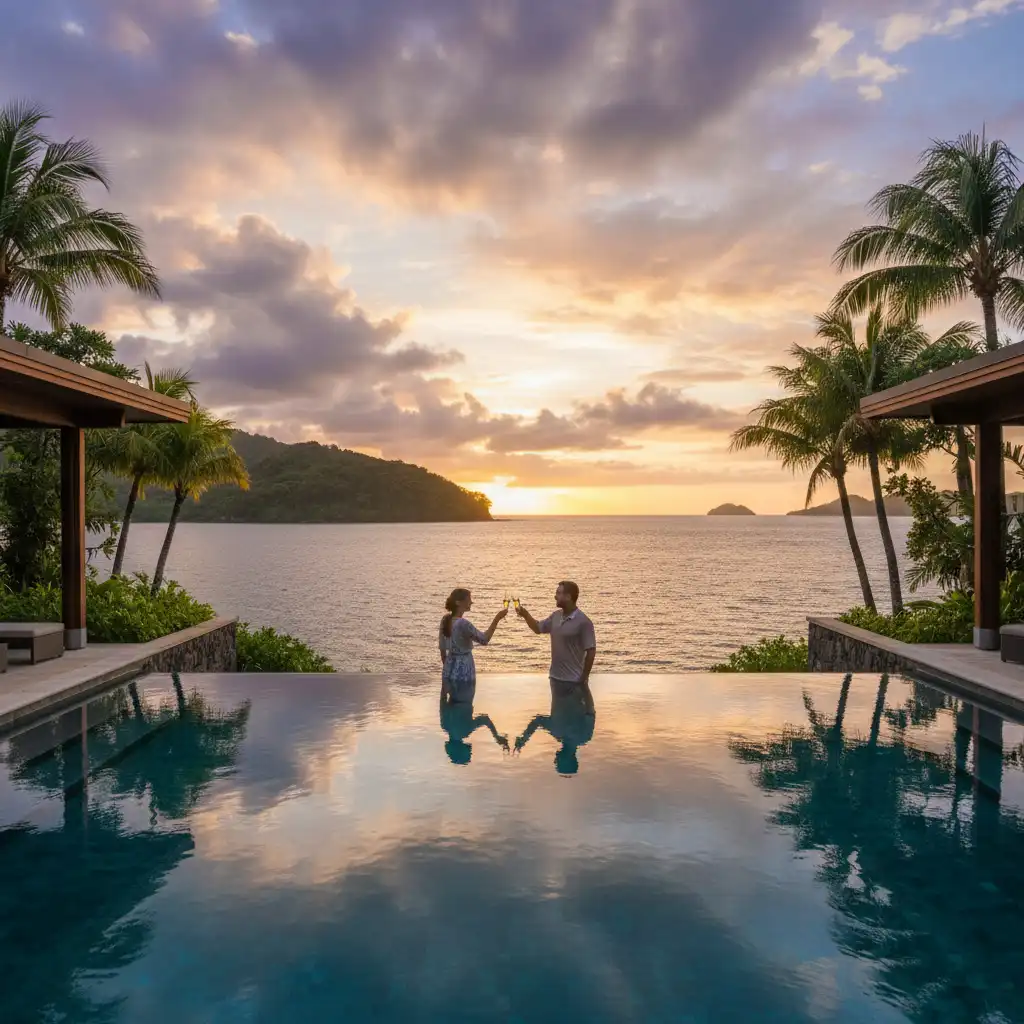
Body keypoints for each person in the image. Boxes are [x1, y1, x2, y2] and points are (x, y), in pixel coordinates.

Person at [515, 580, 596, 688]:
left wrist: (584, 677)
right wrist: (526, 615)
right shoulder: (555, 616)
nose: (555, 596)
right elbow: (538, 628)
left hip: (574, 681)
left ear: (568, 597)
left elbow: (591, 651)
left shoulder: (584, 622)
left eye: (558, 593)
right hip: (554, 679)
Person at [513, 678, 595, 775]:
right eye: (557, 762)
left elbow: (590, 709)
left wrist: (584, 682)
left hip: (576, 678)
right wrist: (523, 739)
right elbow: (537, 720)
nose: (555, 760)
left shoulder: (584, 736)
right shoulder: (557, 731)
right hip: (557, 677)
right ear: (566, 760)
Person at [439, 588, 507, 702]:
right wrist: (497, 618)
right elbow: (484, 639)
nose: (471, 602)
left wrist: (448, 668)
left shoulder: (445, 620)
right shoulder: (463, 624)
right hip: (464, 671)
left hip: (449, 669)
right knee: (464, 709)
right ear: (458, 602)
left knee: (449, 709)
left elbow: (442, 649)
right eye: (469, 599)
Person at [439, 687, 510, 764]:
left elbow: (485, 719)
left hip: (468, 687)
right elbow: (443, 696)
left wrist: (496, 735)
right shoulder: (445, 725)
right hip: (454, 686)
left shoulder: (465, 731)